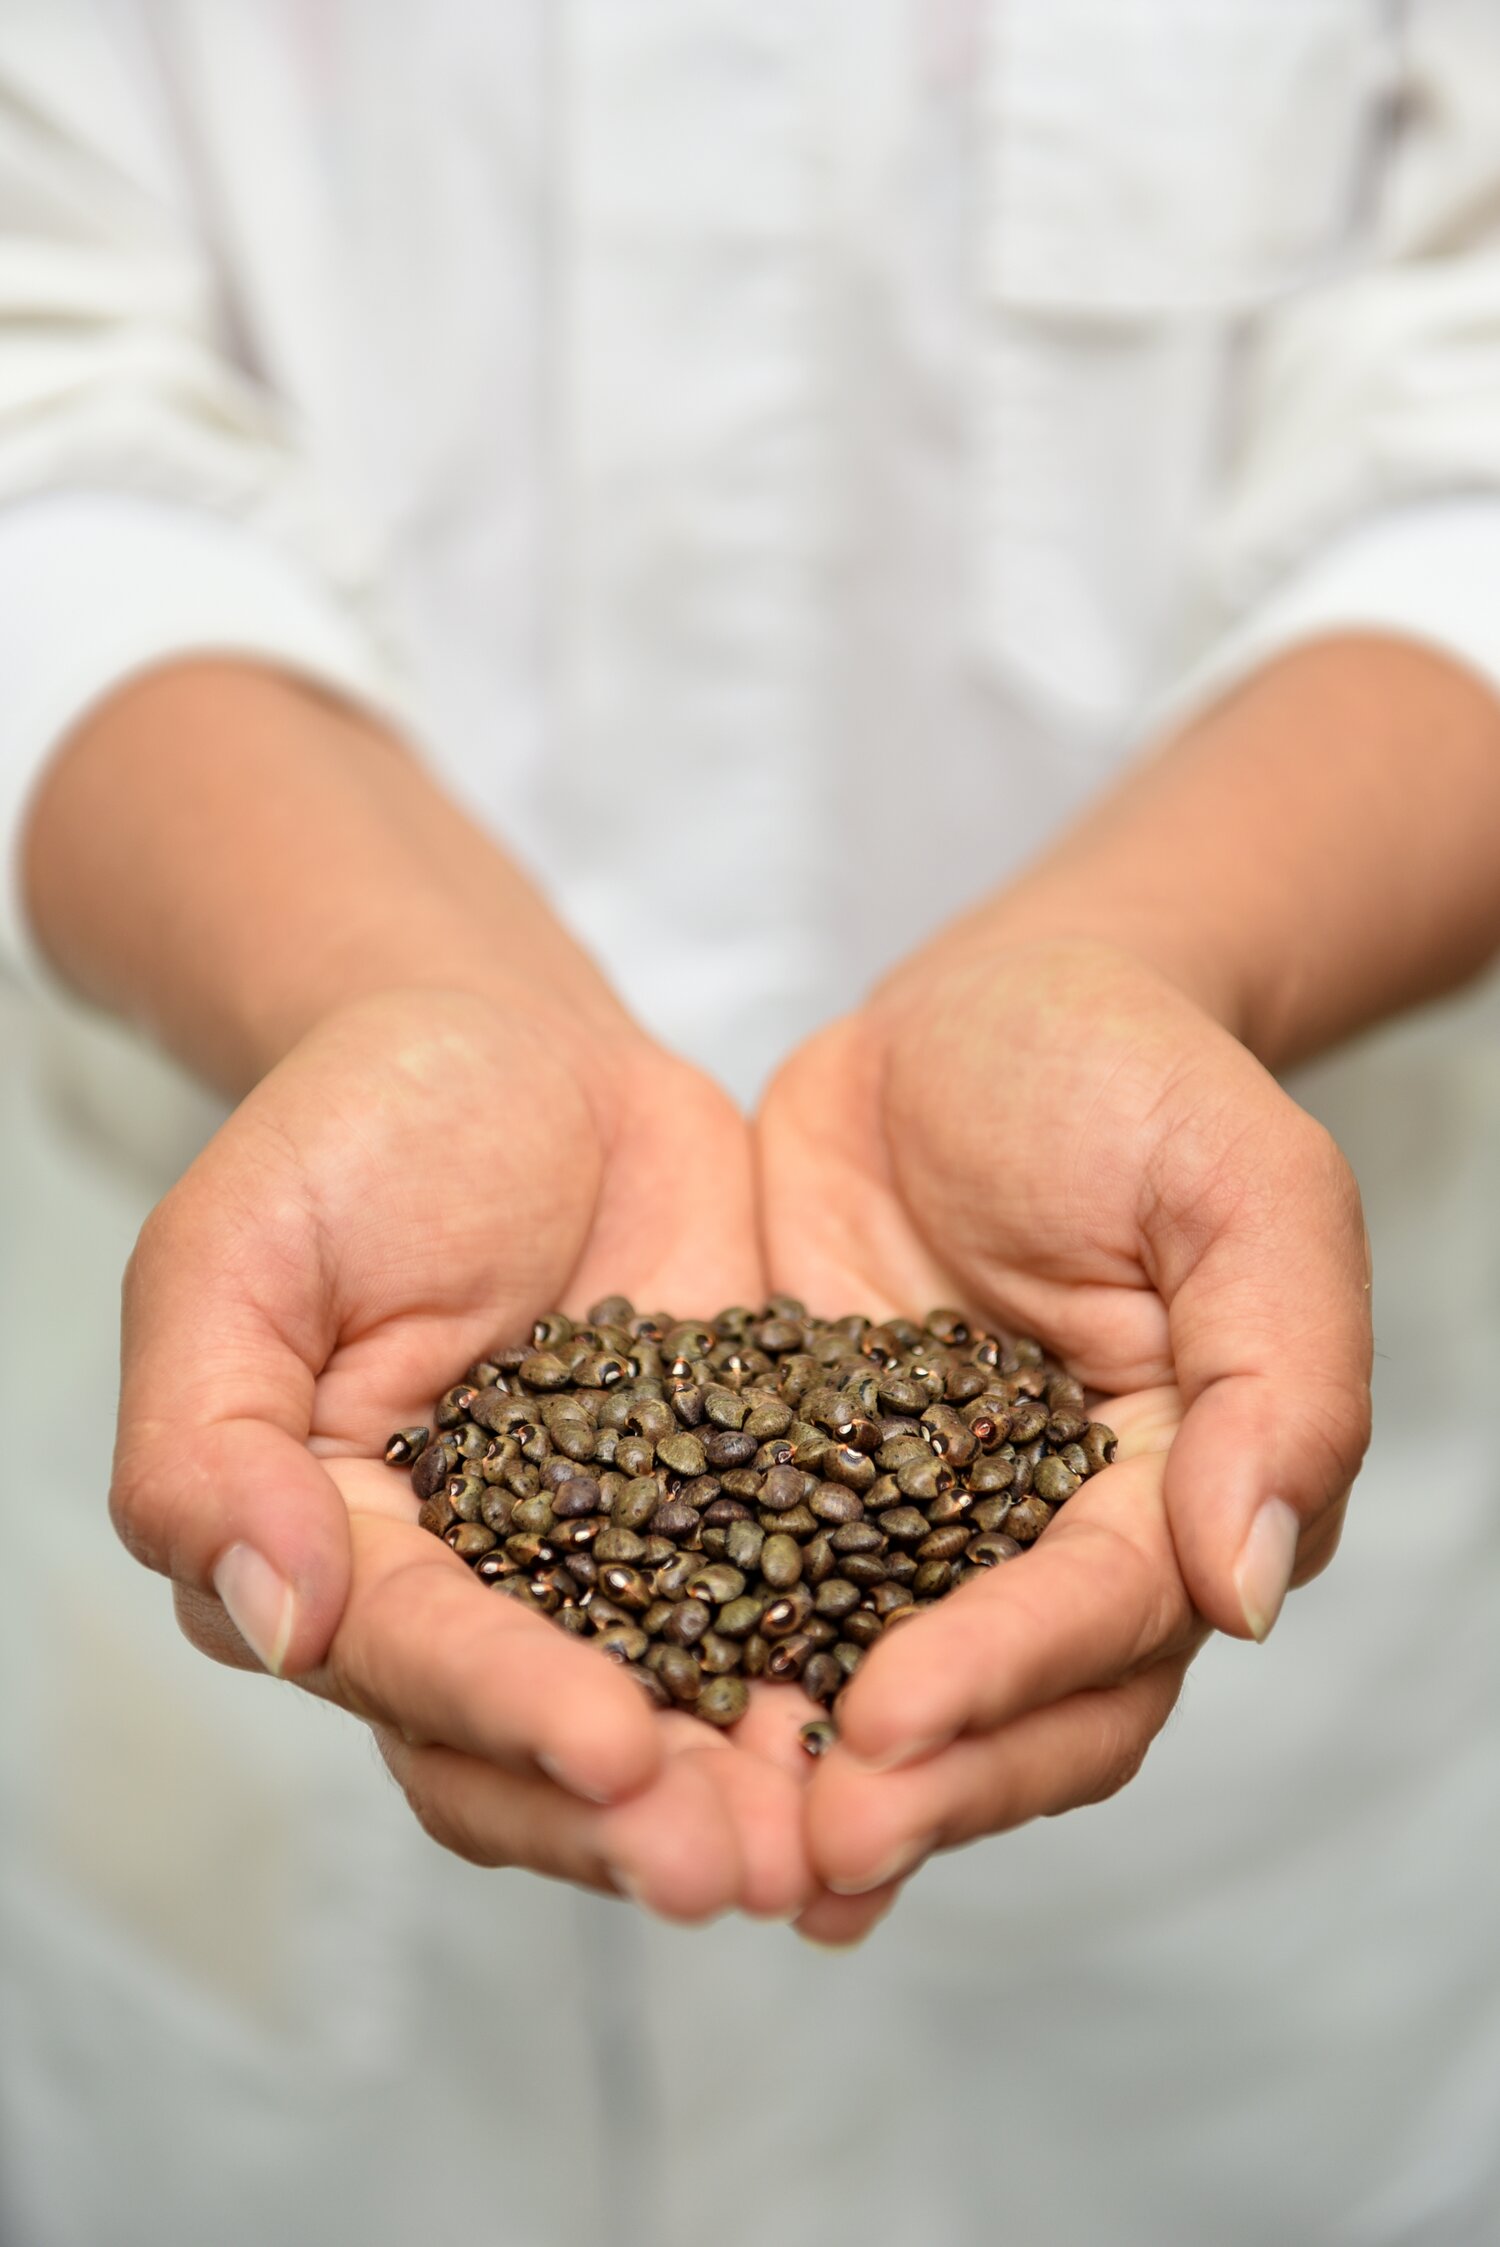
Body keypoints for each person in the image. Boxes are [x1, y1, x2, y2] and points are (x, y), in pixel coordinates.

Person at [3, 4, 1499, 2242]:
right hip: (254, 1640)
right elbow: (48, 392)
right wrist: (381, 986)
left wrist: (1163, 952)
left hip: (1240, 1885)